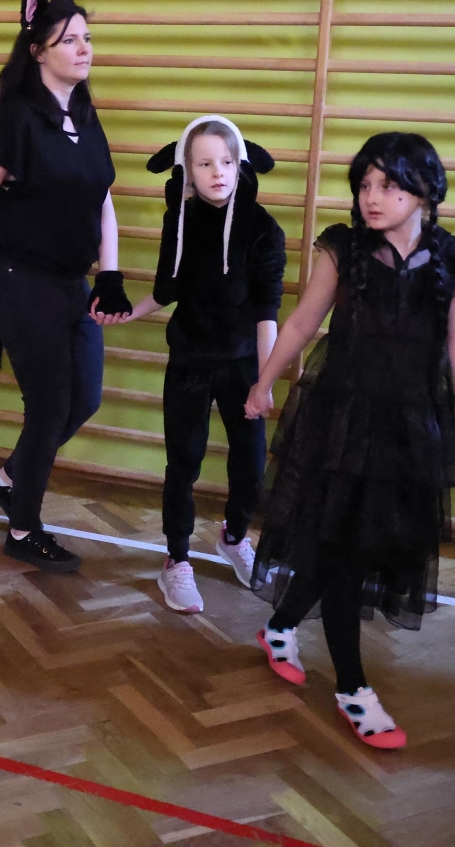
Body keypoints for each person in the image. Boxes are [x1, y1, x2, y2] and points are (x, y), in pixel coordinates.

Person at [242, 132, 455, 751]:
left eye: (390, 185)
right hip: (342, 421)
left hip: (410, 428)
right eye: (365, 185)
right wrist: (264, 382)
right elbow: (303, 321)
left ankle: (279, 625)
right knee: (343, 550)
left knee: (353, 546)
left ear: (425, 192)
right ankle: (353, 687)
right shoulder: (344, 247)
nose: (372, 197)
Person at [0, 0, 131, 574]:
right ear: (37, 51)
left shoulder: (85, 115)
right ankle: (23, 529)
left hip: (70, 283)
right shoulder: (17, 119)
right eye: (68, 40)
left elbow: (101, 197)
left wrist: (110, 273)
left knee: (86, 397)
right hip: (19, 278)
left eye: (86, 38)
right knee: (49, 407)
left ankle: (8, 479)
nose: (83, 48)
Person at [127, 116, 286, 609]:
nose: (217, 172)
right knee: (185, 461)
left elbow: (267, 312)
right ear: (187, 171)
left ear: (240, 166)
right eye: (204, 163)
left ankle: (234, 537)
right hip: (191, 361)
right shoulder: (179, 221)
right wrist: (123, 314)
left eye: (226, 162)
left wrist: (264, 381)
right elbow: (166, 290)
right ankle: (176, 560)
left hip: (242, 364)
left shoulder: (263, 229)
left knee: (251, 464)